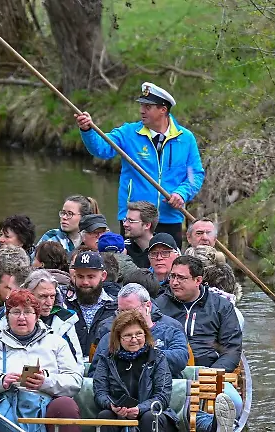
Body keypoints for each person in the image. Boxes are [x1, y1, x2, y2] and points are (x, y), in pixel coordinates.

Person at [75, 82, 204, 247]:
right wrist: (87, 130)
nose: (142, 110)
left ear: (163, 109)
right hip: (133, 220)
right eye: (141, 105)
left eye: (148, 107)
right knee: (131, 262)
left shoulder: (186, 138)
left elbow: (195, 175)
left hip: (170, 218)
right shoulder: (128, 133)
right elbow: (101, 149)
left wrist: (182, 194)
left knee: (167, 261)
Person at [0, 290, 83, 432]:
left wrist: (45, 382)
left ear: (37, 316)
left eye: (27, 312)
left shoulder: (57, 343)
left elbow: (74, 381)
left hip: (44, 415)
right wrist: (0, 382)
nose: (21, 317)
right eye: (16, 312)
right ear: (7, 316)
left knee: (66, 405)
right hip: (0, 416)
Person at [154, 255, 242, 432]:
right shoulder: (158, 306)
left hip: (208, 372)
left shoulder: (221, 306)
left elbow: (232, 349)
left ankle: (220, 427)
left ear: (198, 280)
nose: (174, 282)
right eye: (172, 276)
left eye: (181, 278)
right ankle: (205, 426)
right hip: (169, 372)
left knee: (235, 403)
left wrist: (212, 374)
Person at [91, 310, 178, 432]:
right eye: (127, 335)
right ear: (118, 338)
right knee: (105, 415)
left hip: (151, 414)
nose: (134, 339)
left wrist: (139, 409)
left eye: (138, 334)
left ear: (146, 334)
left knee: (150, 417)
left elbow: (162, 396)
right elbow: (100, 393)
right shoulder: (106, 358)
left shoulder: (158, 358)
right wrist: (112, 406)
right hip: (118, 413)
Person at [90, 283, 188, 378]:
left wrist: (144, 354)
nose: (125, 316)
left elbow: (180, 360)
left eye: (131, 310)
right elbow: (95, 373)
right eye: (121, 311)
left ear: (148, 306)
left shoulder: (170, 332)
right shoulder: (109, 337)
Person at [0, 270, 85, 364]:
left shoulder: (65, 320)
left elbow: (77, 364)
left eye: (52, 296)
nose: (49, 303)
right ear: (28, 295)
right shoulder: (6, 319)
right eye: (43, 296)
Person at [65, 251, 118, 357]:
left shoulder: (115, 308)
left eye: (90, 277)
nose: (85, 282)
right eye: (80, 276)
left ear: (103, 276)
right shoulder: (65, 306)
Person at [122, 201, 157, 268]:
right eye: (125, 219)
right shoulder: (123, 249)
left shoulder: (165, 250)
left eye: (131, 221)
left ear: (147, 225)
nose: (125, 224)